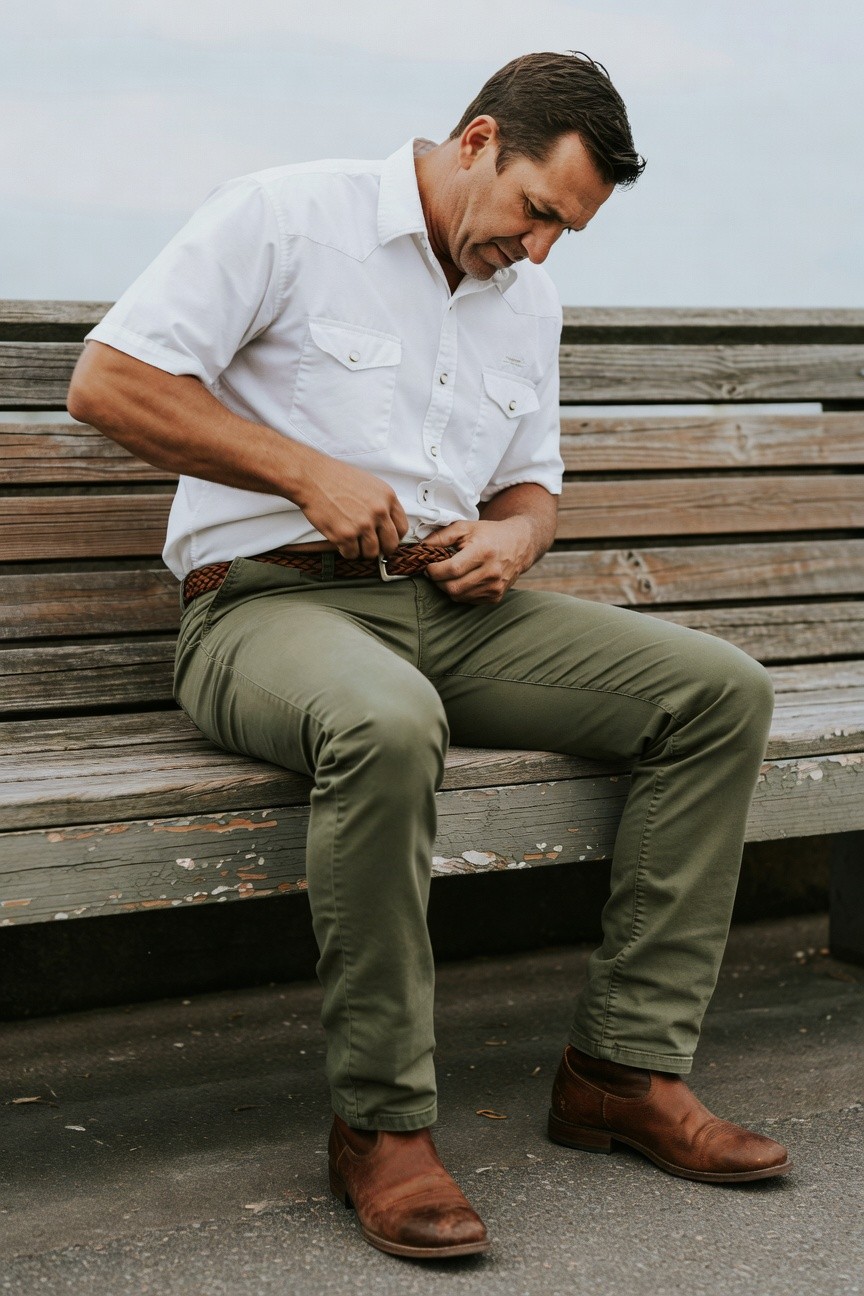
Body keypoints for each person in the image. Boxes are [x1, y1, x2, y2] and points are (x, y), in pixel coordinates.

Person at [67, 50, 790, 1262]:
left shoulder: (528, 298)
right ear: (475, 143)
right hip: (262, 609)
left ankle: (623, 1072)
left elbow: (532, 489)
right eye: (538, 212)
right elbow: (107, 381)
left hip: (447, 612)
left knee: (717, 692)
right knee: (389, 720)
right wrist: (301, 470)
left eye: (570, 230)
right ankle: (383, 1129)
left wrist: (513, 538)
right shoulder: (287, 218)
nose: (543, 250)